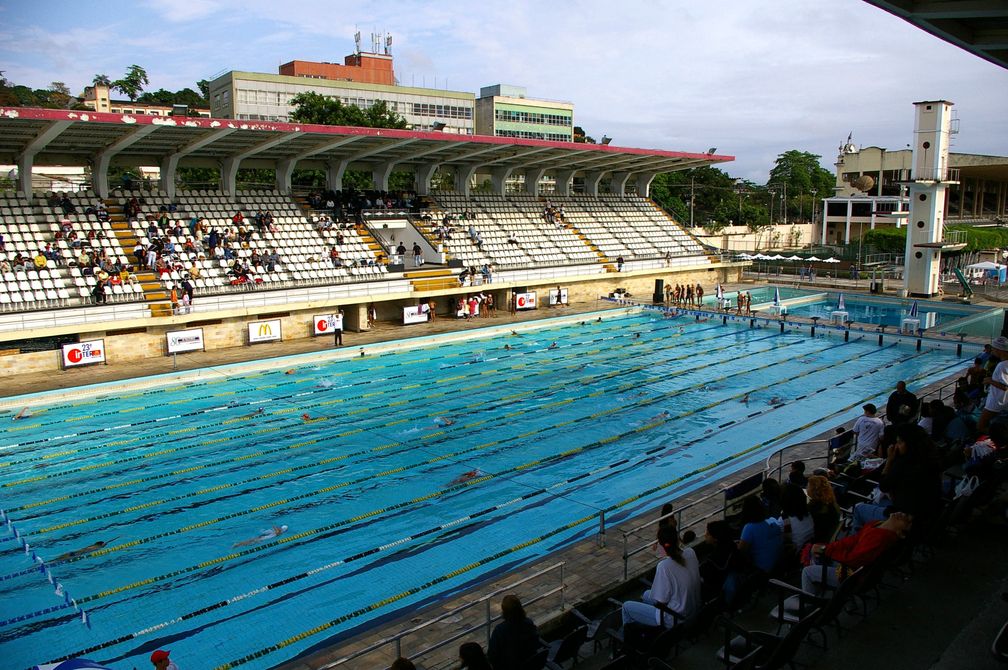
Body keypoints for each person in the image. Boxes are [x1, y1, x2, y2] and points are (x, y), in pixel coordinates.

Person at [801, 511, 912, 595]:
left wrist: (826, 550)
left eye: (906, 521)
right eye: (906, 514)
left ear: (900, 533)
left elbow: (853, 560)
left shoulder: (881, 538)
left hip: (849, 575)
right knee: (815, 554)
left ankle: (809, 603)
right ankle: (819, 590)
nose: (903, 515)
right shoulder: (877, 525)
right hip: (850, 566)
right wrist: (827, 548)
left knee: (807, 572)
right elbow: (853, 540)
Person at [621, 524, 702, 628]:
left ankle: (629, 638)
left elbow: (661, 601)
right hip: (693, 609)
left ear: (661, 545)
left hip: (676, 618)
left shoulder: (664, 566)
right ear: (678, 540)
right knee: (646, 594)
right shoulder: (690, 552)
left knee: (626, 606)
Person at [488, 595, 540, 670]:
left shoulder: (499, 630)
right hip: (529, 663)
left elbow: (492, 655)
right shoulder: (528, 622)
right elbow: (535, 642)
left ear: (504, 611)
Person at [980, 336, 1008, 432]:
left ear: (999, 349)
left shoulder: (1002, 365)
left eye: (993, 348)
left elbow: (1005, 387)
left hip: (995, 403)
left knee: (980, 427)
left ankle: (995, 440)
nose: (992, 351)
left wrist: (989, 381)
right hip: (1002, 402)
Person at [806, 475, 841, 543]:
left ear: (813, 490)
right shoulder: (832, 504)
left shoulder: (813, 508)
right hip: (827, 537)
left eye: (808, 486)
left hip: (816, 541)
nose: (806, 488)